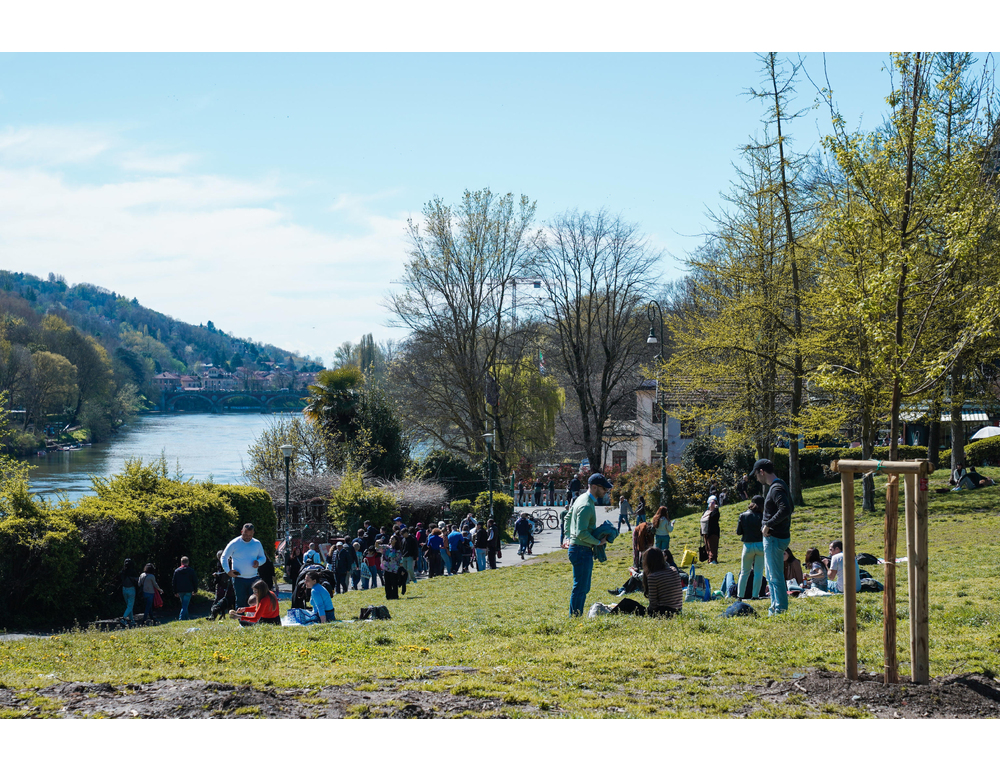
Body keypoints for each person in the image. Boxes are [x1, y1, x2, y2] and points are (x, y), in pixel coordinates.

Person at [566, 473, 612, 617]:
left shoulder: (581, 499)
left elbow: (567, 517)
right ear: (593, 487)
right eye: (604, 488)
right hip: (581, 549)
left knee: (582, 587)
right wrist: (598, 542)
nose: (606, 491)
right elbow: (581, 533)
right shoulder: (586, 505)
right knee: (581, 588)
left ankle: (575, 616)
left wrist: (567, 537)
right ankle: (574, 618)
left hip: (577, 548)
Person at [753, 458, 794, 616]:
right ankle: (775, 609)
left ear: (762, 472)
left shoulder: (776, 488)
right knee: (771, 575)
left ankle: (779, 611)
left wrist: (769, 524)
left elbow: (785, 509)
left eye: (757, 474)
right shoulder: (781, 484)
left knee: (774, 576)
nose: (757, 478)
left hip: (774, 538)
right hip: (779, 536)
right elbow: (791, 506)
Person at [221, 523, 269, 611]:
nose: (247, 537)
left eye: (250, 535)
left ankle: (255, 619)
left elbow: (263, 558)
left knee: (255, 600)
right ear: (241, 532)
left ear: (253, 533)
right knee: (240, 601)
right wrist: (228, 571)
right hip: (239, 578)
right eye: (245, 534)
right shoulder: (234, 543)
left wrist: (258, 562)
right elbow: (224, 557)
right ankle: (241, 620)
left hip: (254, 578)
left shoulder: (257, 543)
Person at [736, 495, 765, 600]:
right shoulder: (763, 516)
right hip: (761, 544)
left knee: (744, 571)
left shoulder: (743, 515)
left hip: (748, 545)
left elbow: (739, 532)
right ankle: (755, 595)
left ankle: (740, 595)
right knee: (758, 572)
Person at [642, 547, 683, 617]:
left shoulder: (653, 577)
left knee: (627, 603)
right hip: (678, 610)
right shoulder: (673, 570)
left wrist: (648, 612)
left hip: (663, 612)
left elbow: (653, 604)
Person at [171, 556, 198, 621]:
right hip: (188, 590)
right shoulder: (191, 571)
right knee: (185, 605)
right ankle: (181, 618)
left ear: (181, 562)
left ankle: (186, 618)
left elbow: (174, 582)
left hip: (180, 590)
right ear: (188, 562)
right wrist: (195, 590)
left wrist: (175, 591)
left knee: (184, 605)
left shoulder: (177, 571)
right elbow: (195, 581)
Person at [700, 495, 721, 564]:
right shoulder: (706, 511)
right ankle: (709, 559)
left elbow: (713, 518)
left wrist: (715, 508)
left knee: (713, 546)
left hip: (713, 532)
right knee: (707, 547)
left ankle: (713, 559)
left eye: (714, 502)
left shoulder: (715, 512)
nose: (712, 504)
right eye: (711, 503)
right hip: (705, 532)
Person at [119, 558, 139, 625]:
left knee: (129, 605)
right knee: (130, 605)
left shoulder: (122, 572)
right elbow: (137, 580)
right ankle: (123, 618)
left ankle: (131, 620)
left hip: (124, 589)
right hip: (131, 589)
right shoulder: (133, 572)